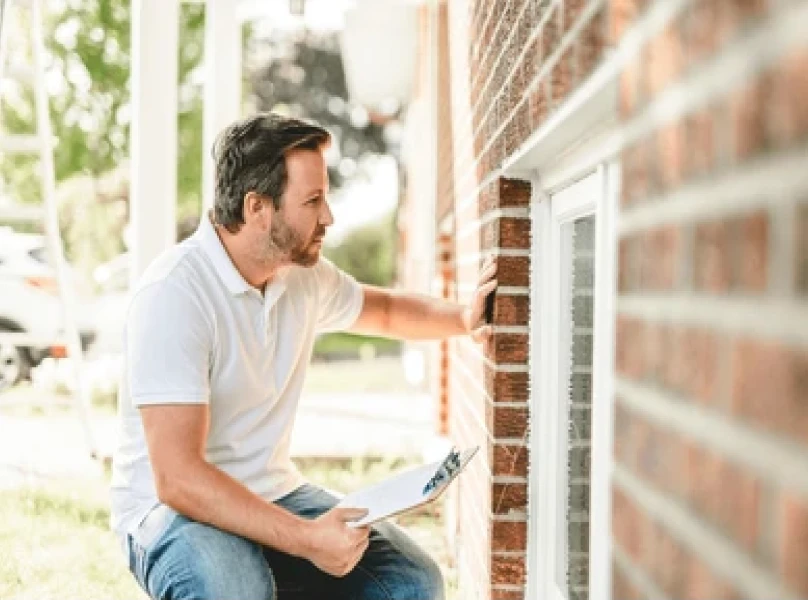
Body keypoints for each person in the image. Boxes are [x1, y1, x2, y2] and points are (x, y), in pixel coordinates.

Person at [110, 112, 497, 600]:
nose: (329, 217)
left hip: (273, 490)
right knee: (240, 590)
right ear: (258, 208)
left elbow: (384, 309)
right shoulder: (175, 294)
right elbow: (178, 479)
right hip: (170, 513)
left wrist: (464, 319)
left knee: (410, 583)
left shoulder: (300, 276)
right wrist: (308, 541)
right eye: (313, 201)